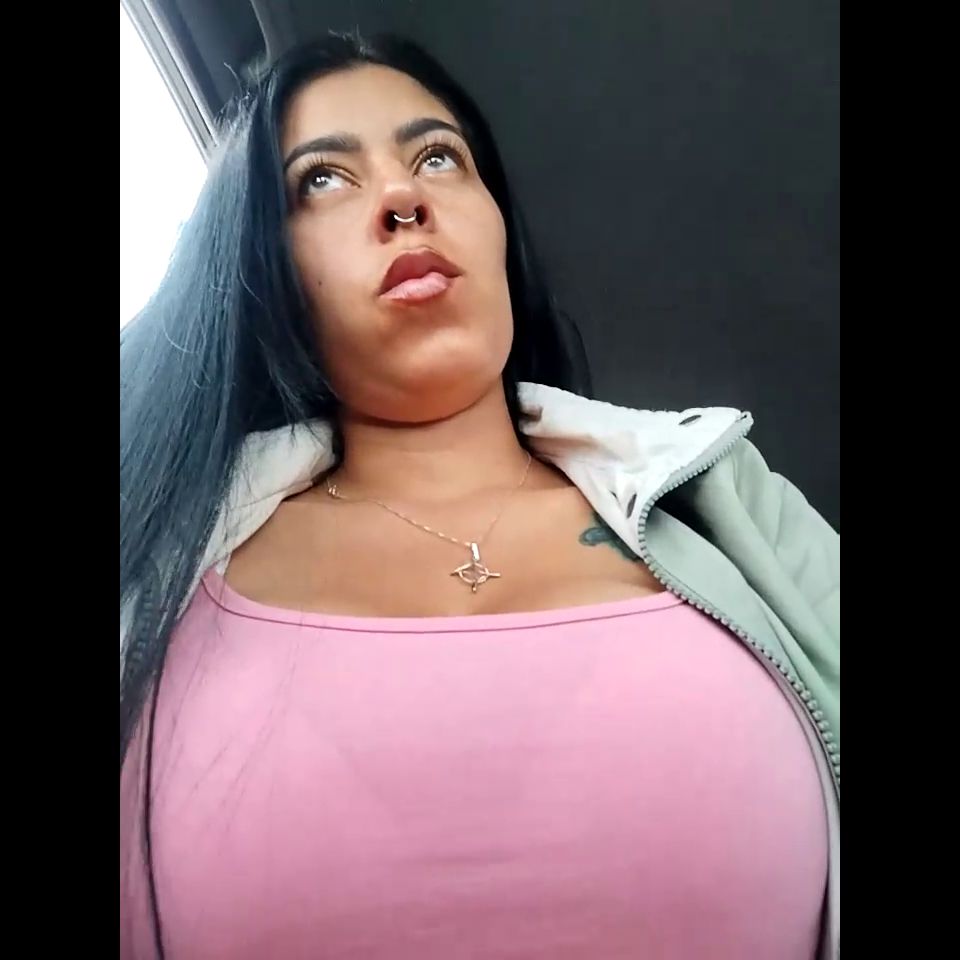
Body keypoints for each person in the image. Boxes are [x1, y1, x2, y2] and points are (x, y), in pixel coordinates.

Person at [120, 30, 839, 960]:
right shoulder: (160, 554)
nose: (402, 197)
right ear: (263, 270)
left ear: (498, 223)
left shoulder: (727, 497)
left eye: (437, 157)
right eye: (322, 180)